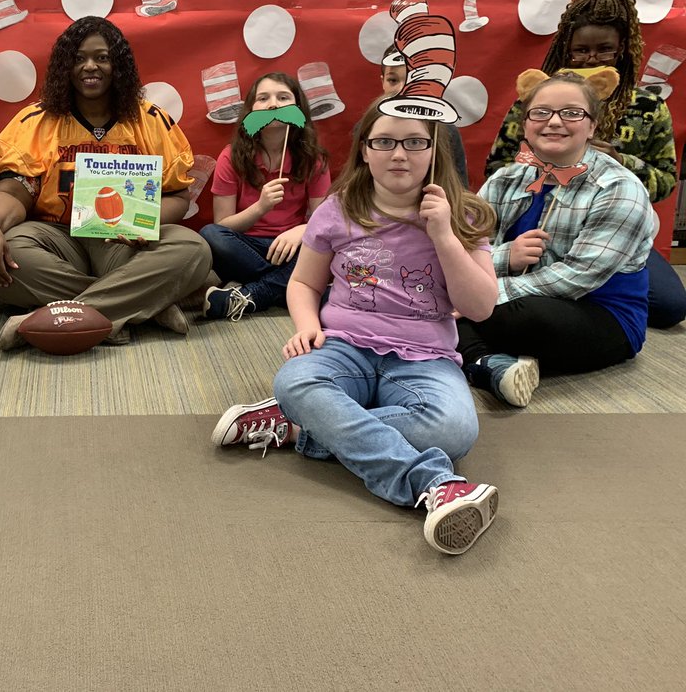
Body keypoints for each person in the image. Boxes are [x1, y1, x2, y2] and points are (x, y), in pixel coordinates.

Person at [212, 98, 501, 556]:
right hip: (344, 347)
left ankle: (301, 427)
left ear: (434, 150)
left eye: (414, 142)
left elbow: (480, 308)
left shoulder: (464, 214)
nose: (399, 154)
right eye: (384, 142)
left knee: (453, 432)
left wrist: (444, 235)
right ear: (365, 150)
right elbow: (304, 283)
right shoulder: (338, 209)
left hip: (426, 358)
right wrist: (306, 325)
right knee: (295, 381)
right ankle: (432, 483)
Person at [0, 16, 212, 349]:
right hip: (58, 239)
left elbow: (177, 196)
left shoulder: (150, 120)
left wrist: (142, 222)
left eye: (102, 58)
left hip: (123, 244)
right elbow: (14, 191)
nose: (90, 66)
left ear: (119, 66)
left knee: (193, 249)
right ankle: (141, 303)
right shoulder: (36, 120)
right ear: (65, 66)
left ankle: (50, 318)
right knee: (5, 254)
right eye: (79, 58)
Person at [484, 0, 684, 328]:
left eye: (603, 50)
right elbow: (498, 166)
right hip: (537, 216)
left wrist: (622, 162)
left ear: (621, 49)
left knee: (669, 306)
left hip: (609, 224)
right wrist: (542, 160)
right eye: (581, 50)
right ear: (567, 49)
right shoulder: (534, 101)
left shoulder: (648, 106)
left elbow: (666, 181)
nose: (591, 58)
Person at [459, 70, 656, 407]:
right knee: (427, 296)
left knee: (516, 315)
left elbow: (576, 277)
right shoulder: (504, 179)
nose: (554, 122)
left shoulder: (619, 188)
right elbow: (467, 251)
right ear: (525, 124)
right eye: (541, 112)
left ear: (592, 126)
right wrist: (506, 257)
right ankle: (489, 364)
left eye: (571, 113)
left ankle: (459, 348)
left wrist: (474, 298)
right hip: (506, 300)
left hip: (598, 312)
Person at [200, 72, 330, 320]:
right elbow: (222, 225)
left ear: (298, 107)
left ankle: (251, 295)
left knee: (326, 245)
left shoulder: (314, 158)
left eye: (283, 98)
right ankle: (293, 287)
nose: (273, 105)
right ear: (250, 109)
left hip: (292, 248)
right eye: (263, 98)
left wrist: (301, 230)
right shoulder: (231, 156)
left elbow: (325, 220)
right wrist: (261, 207)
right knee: (210, 235)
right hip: (246, 248)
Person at [381, 44, 469, 185]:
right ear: (383, 82)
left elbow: (459, 189)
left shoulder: (446, 132)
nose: (402, 89)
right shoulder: (367, 128)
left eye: (413, 80)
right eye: (393, 80)